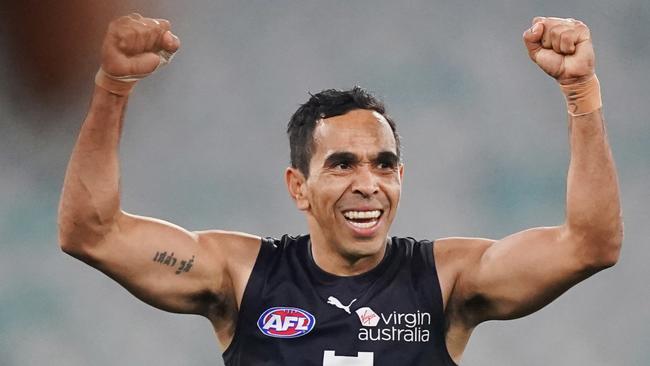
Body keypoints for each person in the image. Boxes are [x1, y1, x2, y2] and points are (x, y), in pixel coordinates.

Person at [58, 13, 622, 366]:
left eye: (383, 165)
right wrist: (114, 86)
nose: (367, 184)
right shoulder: (240, 275)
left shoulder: (447, 281)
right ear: (298, 187)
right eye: (343, 165)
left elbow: (591, 244)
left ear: (400, 178)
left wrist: (582, 95)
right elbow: (90, 232)